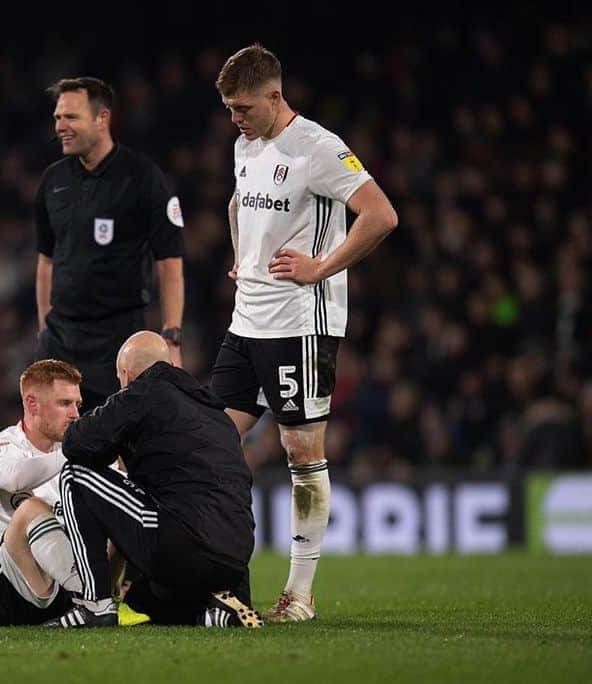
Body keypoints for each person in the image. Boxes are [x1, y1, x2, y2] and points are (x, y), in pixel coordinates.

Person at [209, 45, 399, 622]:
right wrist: (243, 254)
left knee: (299, 449)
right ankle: (212, 572)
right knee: (211, 440)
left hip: (300, 326)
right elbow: (238, 203)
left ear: (275, 96)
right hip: (247, 321)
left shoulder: (317, 147)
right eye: (228, 108)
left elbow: (381, 215)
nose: (234, 118)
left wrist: (321, 267)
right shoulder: (247, 144)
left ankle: (299, 595)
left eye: (242, 107)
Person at [43, 332, 260, 628]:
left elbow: (76, 444)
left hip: (182, 540)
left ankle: (94, 605)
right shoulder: (214, 411)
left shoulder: (143, 391)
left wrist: (115, 431)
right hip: (236, 557)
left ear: (126, 374)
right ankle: (218, 608)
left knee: (76, 476)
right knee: (145, 601)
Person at [35, 77, 186, 412]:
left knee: (120, 443)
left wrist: (171, 337)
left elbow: (170, 264)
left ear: (102, 119)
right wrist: (45, 327)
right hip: (61, 338)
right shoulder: (52, 181)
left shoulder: (143, 178)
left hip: (118, 340)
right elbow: (46, 261)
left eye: (70, 117)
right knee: (52, 440)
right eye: (58, 117)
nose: (60, 126)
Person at [0, 359, 84, 626]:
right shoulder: (0, 447)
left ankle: (102, 601)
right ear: (32, 404)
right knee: (32, 508)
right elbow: (17, 478)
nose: (75, 413)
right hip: (0, 589)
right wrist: (76, 451)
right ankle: (90, 596)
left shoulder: (64, 451)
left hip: (57, 582)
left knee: (114, 503)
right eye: (65, 403)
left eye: (77, 404)